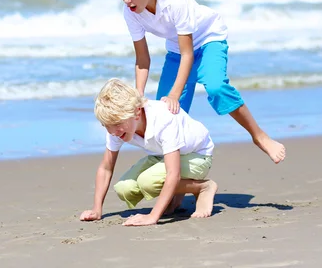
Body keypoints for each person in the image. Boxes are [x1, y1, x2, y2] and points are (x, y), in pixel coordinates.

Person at [112, 0, 286, 164]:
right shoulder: (131, 13)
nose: (127, 0)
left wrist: (175, 93)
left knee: (215, 87)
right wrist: (137, 95)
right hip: (177, 50)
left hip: (208, 40)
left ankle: (259, 136)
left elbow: (189, 54)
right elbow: (143, 60)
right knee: (166, 114)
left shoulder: (175, 0)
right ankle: (180, 174)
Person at [80, 78, 218, 226]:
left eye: (116, 125)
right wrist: (97, 209)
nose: (113, 131)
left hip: (197, 155)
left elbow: (173, 173)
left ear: (137, 113)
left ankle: (204, 187)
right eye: (106, 126)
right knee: (124, 189)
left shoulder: (163, 118)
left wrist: (153, 216)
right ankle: (177, 196)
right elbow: (106, 167)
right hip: (162, 155)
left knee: (148, 183)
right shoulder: (117, 127)